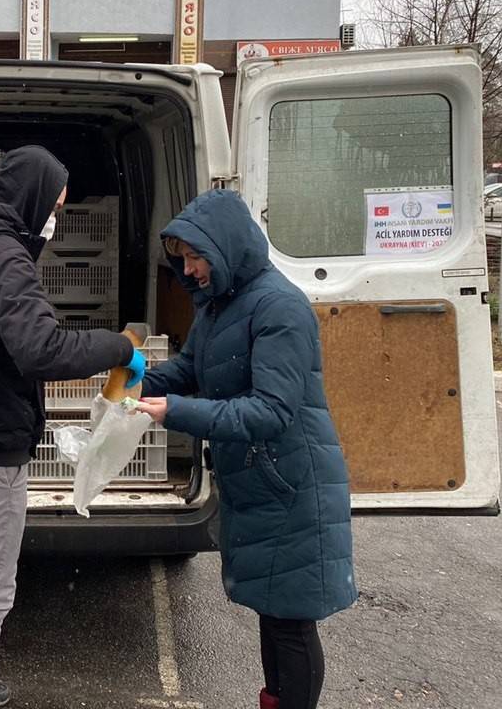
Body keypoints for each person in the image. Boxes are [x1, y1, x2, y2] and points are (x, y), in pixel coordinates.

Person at [0, 145, 145, 709]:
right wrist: (119, 345)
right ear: (33, 197)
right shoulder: (5, 258)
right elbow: (40, 350)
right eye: (56, 205)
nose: (57, 216)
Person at [136, 190, 356, 709]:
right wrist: (140, 378)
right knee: (271, 607)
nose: (189, 271)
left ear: (227, 247)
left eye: (196, 258)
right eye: (183, 260)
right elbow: (192, 368)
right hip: (260, 480)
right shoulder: (222, 303)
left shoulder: (280, 307)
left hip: (291, 482)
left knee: (290, 622)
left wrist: (175, 413)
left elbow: (269, 411)